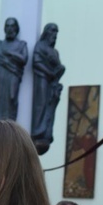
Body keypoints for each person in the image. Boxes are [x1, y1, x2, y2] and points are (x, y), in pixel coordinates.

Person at [31, 23, 65, 154]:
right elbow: (37, 62)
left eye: (56, 34)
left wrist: (59, 71)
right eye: (52, 33)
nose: (54, 36)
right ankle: (38, 130)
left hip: (52, 83)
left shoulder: (55, 52)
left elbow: (59, 66)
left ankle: (46, 132)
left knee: (50, 106)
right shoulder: (40, 46)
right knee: (40, 105)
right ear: (46, 33)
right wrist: (50, 73)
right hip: (42, 80)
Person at [0, 17, 28, 121]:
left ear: (16, 28)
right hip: (0, 74)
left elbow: (24, 59)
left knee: (12, 98)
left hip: (13, 74)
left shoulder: (21, 45)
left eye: (12, 26)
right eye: (7, 26)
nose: (10, 29)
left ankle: (11, 124)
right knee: (0, 100)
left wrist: (10, 53)